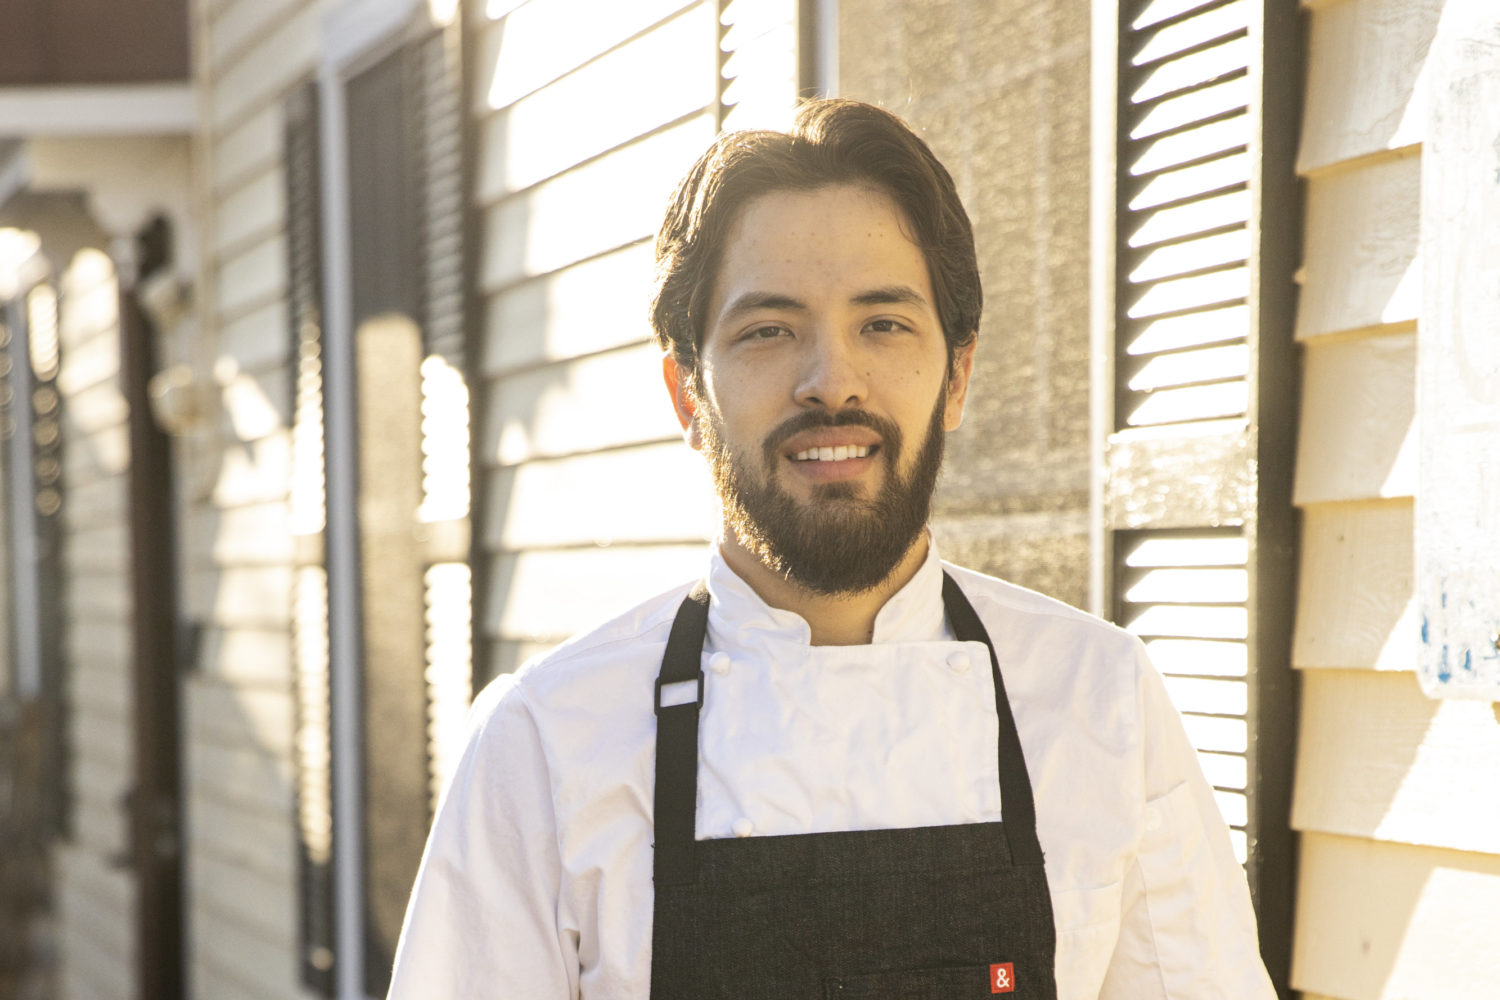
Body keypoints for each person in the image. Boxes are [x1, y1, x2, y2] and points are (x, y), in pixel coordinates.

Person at [386, 98, 1275, 999]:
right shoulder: (547, 742)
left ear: (957, 374)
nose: (832, 382)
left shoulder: (1098, 702)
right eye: (769, 331)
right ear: (688, 394)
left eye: (882, 323)